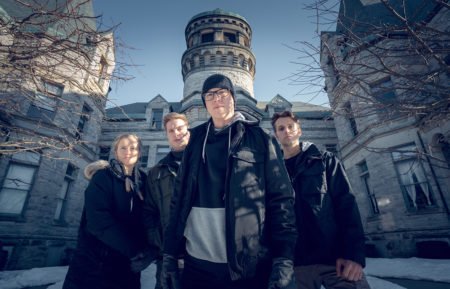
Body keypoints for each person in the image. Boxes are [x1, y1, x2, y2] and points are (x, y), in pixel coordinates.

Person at [161, 74, 298, 289]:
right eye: (210, 95)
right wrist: (169, 254)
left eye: (222, 93)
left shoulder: (261, 139)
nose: (216, 99)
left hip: (246, 265)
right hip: (196, 265)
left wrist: (284, 258)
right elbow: (178, 200)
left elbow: (281, 199)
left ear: (233, 97)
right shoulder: (194, 140)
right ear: (205, 102)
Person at [271, 111, 370, 289]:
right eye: (281, 128)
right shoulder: (273, 172)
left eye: (291, 126)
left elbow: (347, 207)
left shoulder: (326, 161)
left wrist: (353, 256)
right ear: (276, 136)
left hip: (335, 260)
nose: (287, 131)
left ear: (299, 130)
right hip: (296, 264)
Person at [63, 134, 151, 289]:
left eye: (133, 148)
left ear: (140, 152)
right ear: (116, 152)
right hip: (94, 266)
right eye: (123, 147)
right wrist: (134, 251)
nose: (128, 151)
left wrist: (148, 251)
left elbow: (148, 219)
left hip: (128, 270)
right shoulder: (103, 177)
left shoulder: (144, 183)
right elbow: (98, 221)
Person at [143, 112, 190, 289]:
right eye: (171, 130)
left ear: (188, 130)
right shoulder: (157, 172)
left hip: (203, 257)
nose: (176, 133)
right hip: (168, 257)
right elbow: (149, 212)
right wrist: (160, 241)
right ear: (167, 135)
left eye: (180, 128)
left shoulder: (203, 162)